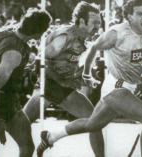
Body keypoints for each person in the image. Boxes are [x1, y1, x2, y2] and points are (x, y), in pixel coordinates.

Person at [36, 0, 142, 157]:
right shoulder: (116, 33)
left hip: (129, 87)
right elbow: (94, 47)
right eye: (139, 14)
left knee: (93, 124)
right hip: (116, 87)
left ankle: (51, 136)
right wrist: (86, 73)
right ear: (129, 17)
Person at [22, 2, 105, 157]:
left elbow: (67, 61)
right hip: (50, 85)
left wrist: (82, 76)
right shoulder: (65, 36)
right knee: (19, 125)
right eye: (94, 23)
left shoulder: (81, 37)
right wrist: (60, 79)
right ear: (81, 22)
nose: (98, 27)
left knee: (95, 122)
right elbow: (41, 60)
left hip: (60, 87)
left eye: (99, 23)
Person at [0, 10, 51, 157]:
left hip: (10, 101)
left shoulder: (3, 32)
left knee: (27, 147)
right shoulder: (14, 54)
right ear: (38, 33)